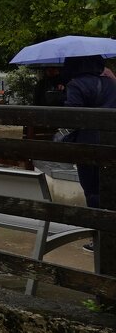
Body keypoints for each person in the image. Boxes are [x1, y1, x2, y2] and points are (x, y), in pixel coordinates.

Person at [61, 56, 116, 229]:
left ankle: (98, 232)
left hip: (89, 142)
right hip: (112, 140)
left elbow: (72, 117)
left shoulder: (76, 84)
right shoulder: (110, 83)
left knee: (92, 188)